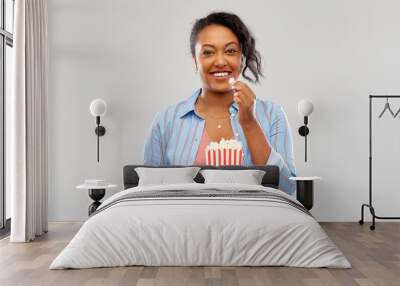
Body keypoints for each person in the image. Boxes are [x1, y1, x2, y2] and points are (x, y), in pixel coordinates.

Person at [143, 12, 296, 195]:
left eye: (231, 51)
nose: (221, 61)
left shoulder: (272, 115)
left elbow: (288, 189)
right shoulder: (166, 120)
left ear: (242, 58)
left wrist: (249, 123)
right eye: (208, 52)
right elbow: (147, 193)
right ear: (195, 60)